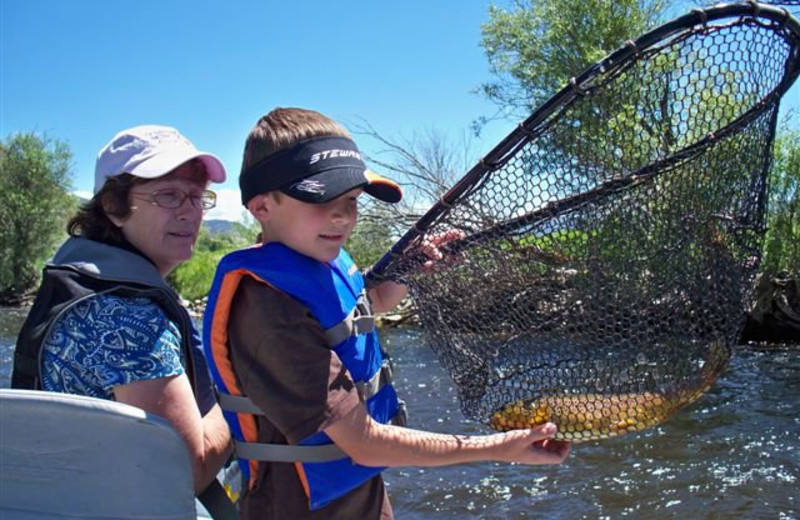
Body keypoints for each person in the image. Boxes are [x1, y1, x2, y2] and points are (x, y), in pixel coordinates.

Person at [202, 107, 571, 519]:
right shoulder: (268, 310)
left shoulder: (319, 262)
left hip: (361, 496)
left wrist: (408, 269)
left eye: (351, 200)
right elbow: (362, 442)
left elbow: (368, 305)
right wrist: (501, 449)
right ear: (261, 207)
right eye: (321, 199)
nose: (342, 216)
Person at [12, 125, 233, 500]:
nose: (190, 213)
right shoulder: (130, 320)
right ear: (114, 207)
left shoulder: (83, 284)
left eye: (197, 197)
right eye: (169, 196)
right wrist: (243, 388)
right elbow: (185, 472)